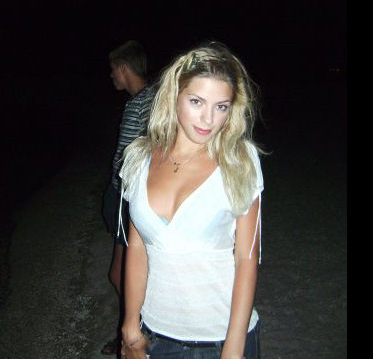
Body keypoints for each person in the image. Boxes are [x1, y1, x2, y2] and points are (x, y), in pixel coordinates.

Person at [117, 41, 264, 359]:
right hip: (155, 334)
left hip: (219, 338)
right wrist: (129, 324)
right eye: (197, 101)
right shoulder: (138, 158)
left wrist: (233, 347)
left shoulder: (240, 161)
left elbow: (247, 258)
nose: (208, 119)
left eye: (221, 106)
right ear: (175, 96)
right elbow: (138, 246)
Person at [101, 40, 155, 356]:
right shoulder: (142, 101)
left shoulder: (145, 103)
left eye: (113, 69)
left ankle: (137, 331)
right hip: (124, 195)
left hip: (129, 199)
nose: (112, 76)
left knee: (119, 274)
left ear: (123, 68)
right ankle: (133, 330)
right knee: (122, 273)